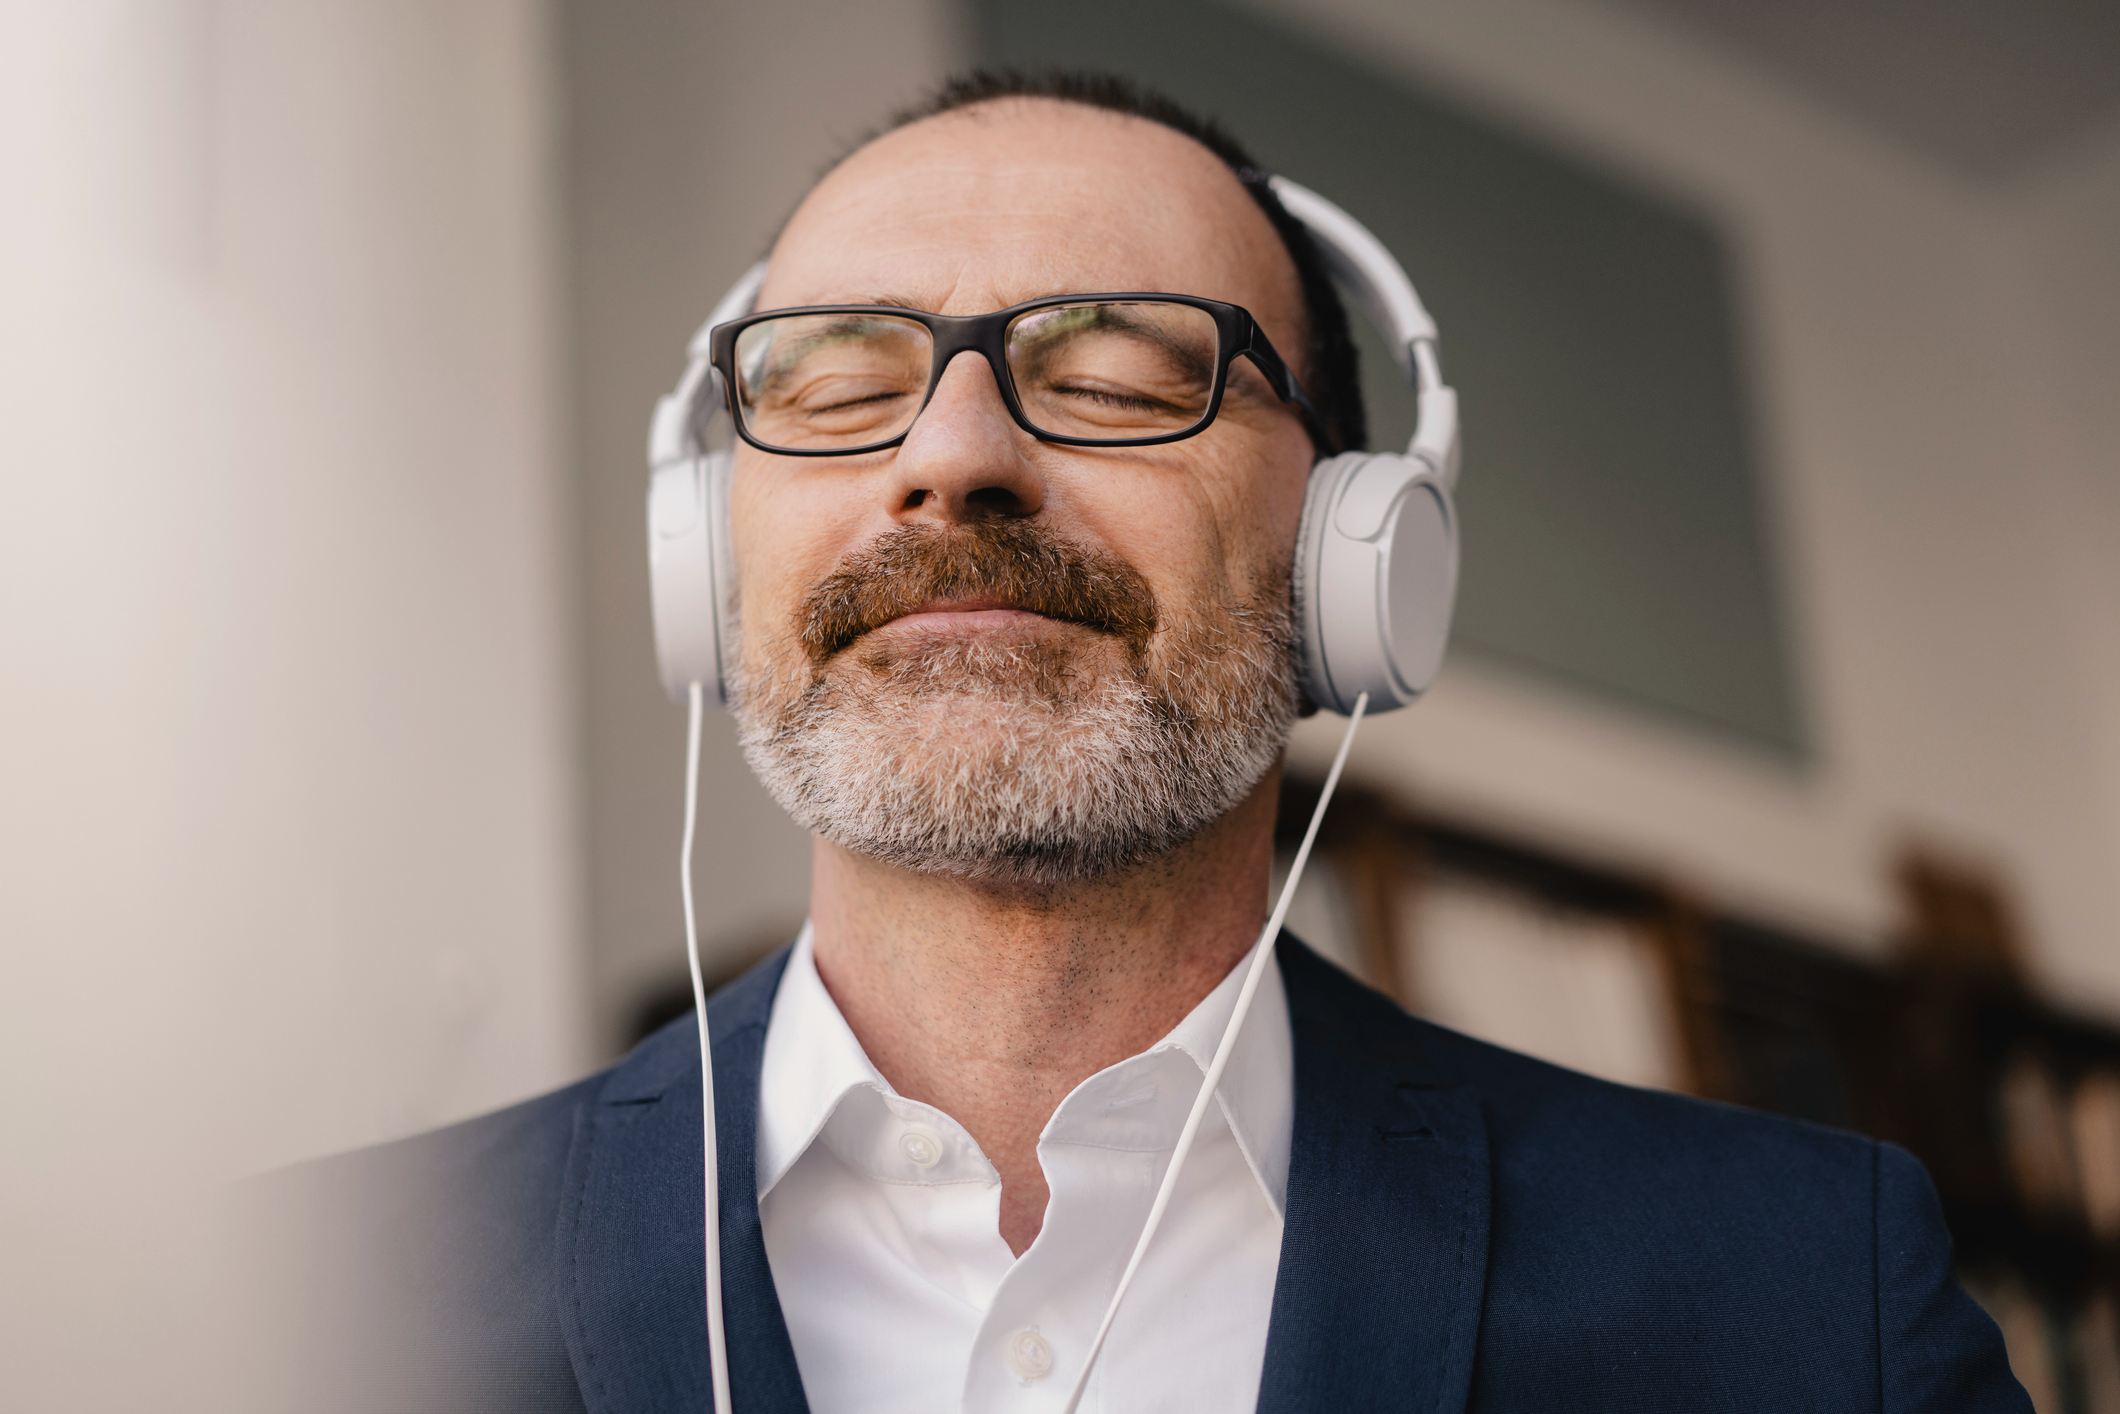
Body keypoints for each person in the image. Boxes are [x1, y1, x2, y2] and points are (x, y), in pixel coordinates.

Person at [253, 70, 2031, 1413]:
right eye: (842, 383)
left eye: (1114, 376)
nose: (949, 454)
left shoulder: (1803, 1302)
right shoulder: (290, 1309)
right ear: (707, 547)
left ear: (1355, 551)